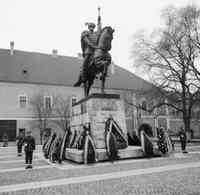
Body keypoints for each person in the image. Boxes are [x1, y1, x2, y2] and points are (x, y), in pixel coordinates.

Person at [74, 22, 100, 87]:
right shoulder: (85, 33)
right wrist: (93, 46)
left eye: (93, 27)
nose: (92, 28)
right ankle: (81, 78)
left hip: (96, 51)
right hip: (88, 51)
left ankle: (103, 73)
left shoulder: (96, 34)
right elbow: (87, 41)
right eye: (90, 27)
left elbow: (100, 30)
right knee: (85, 64)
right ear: (88, 27)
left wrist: (99, 22)